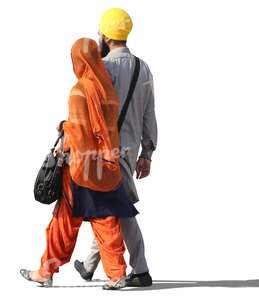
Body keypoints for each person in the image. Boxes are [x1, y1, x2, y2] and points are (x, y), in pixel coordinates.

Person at [20, 38, 138, 290]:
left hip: (81, 168)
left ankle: (45, 271)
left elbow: (81, 134)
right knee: (106, 219)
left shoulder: (79, 90)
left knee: (63, 221)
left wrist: (65, 131)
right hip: (106, 165)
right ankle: (117, 274)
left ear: (77, 60)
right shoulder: (107, 88)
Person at [74, 8, 158, 287]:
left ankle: (141, 269)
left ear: (107, 36)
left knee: (120, 209)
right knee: (107, 204)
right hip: (131, 150)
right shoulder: (143, 68)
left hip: (105, 150)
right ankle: (89, 264)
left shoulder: (102, 69)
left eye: (100, 33)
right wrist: (147, 152)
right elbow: (149, 113)